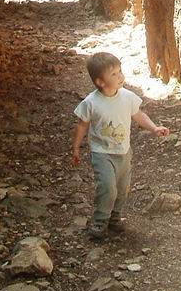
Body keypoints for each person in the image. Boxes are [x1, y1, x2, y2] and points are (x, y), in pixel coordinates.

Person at [71, 51, 169, 238]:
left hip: (124, 151)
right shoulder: (91, 102)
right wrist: (76, 147)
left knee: (123, 188)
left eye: (120, 71)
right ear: (100, 82)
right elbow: (82, 125)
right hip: (102, 153)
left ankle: (115, 217)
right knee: (107, 187)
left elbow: (138, 114)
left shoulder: (127, 97)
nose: (120, 76)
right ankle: (100, 220)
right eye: (114, 74)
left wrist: (154, 128)